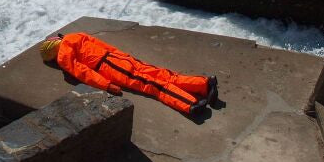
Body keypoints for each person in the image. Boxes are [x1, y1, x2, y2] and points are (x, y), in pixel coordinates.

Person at [40, 32, 218, 118]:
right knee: (160, 73)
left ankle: (190, 104)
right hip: (117, 57)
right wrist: (123, 55)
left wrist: (106, 85)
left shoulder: (63, 57)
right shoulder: (73, 35)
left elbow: (84, 73)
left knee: (151, 85)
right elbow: (103, 44)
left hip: (107, 66)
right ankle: (202, 84)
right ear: (54, 41)